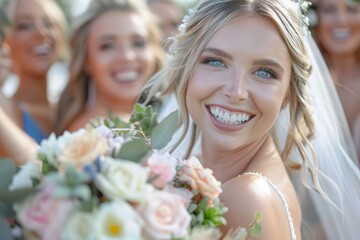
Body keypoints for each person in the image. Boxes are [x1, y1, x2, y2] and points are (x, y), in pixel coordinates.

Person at [144, 0, 360, 239]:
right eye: (216, 62)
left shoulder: (245, 197)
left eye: (264, 72)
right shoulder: (195, 170)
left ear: (289, 92)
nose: (236, 91)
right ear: (186, 68)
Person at [55, 0, 164, 133]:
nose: (127, 57)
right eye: (108, 46)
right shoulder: (93, 133)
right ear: (86, 60)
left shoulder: (164, 116)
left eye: (138, 43)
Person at [0, 0, 69, 144]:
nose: (41, 33)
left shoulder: (73, 108)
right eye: (24, 26)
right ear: (5, 41)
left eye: (48, 24)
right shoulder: (5, 112)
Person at [311, 0, 360, 162]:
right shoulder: (300, 85)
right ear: (313, 17)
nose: (341, 20)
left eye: (352, 9)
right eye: (329, 10)